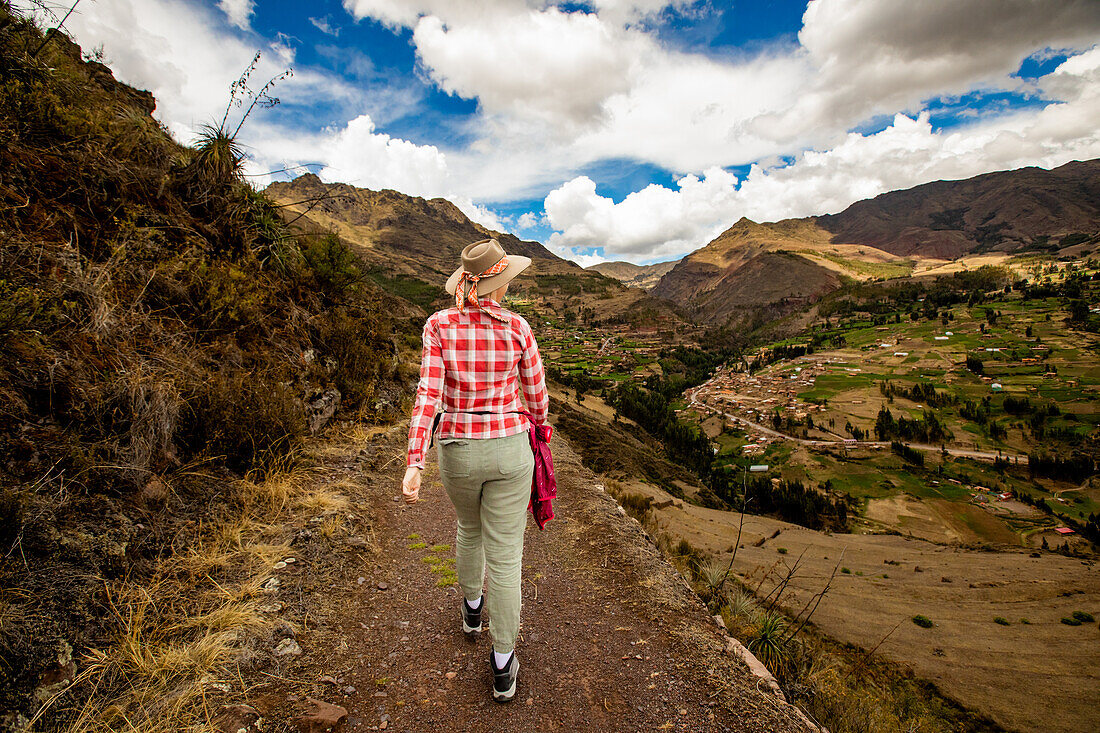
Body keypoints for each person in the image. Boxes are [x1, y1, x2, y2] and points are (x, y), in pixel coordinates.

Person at [401, 238, 549, 703]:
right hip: (509, 450)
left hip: (458, 450)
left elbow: (428, 394)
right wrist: (540, 428)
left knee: (468, 529)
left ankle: (470, 611)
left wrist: (415, 460)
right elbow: (537, 395)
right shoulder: (518, 328)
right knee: (506, 558)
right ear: (499, 285)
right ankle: (503, 664)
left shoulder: (438, 326)